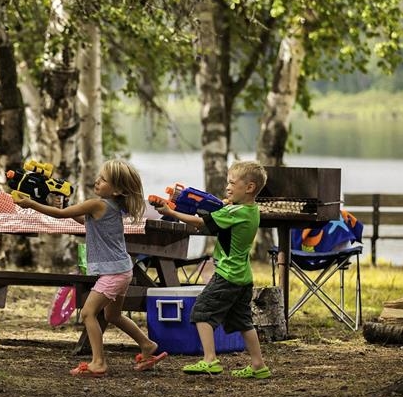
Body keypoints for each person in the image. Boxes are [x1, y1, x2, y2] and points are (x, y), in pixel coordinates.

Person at [15, 158, 166, 376]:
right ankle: (147, 345)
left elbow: (59, 216)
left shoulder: (97, 204)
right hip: (121, 269)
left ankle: (98, 362)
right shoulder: (110, 206)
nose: (97, 181)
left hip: (114, 272)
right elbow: (81, 220)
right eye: (99, 176)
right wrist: (64, 205)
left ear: (117, 190)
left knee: (87, 313)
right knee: (113, 316)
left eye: (103, 180)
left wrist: (32, 204)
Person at [153, 160, 271, 379]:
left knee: (201, 313)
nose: (227, 187)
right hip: (243, 276)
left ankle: (210, 360)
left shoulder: (236, 212)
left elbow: (200, 222)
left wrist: (172, 212)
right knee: (244, 322)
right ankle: (258, 365)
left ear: (250, 187)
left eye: (232, 183)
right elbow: (223, 213)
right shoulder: (250, 210)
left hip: (227, 275)